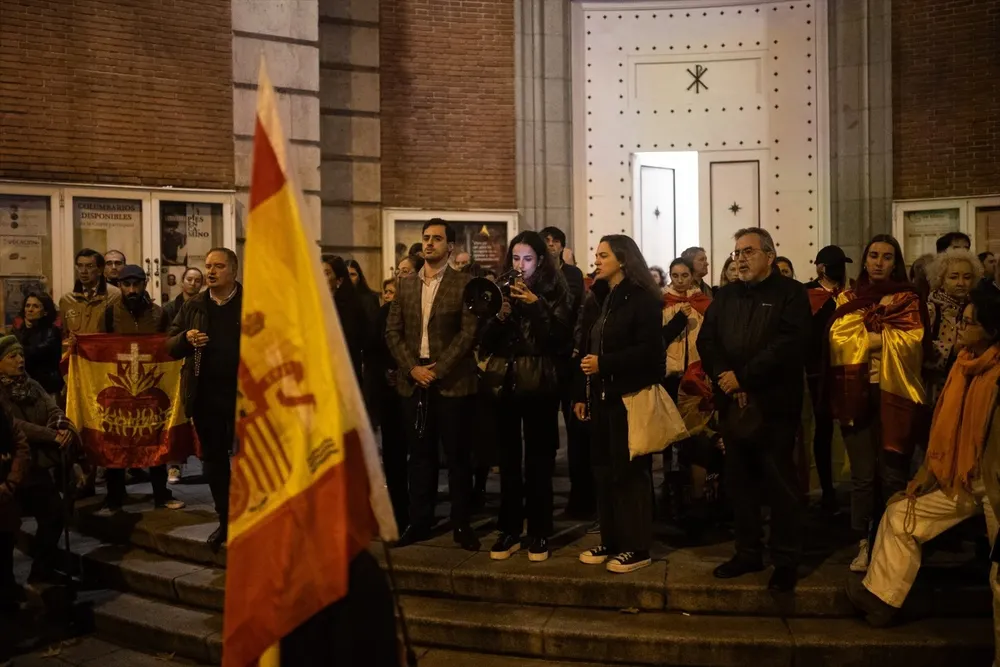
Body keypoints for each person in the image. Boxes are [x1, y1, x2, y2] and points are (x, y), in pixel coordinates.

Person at [846, 287, 1000, 632]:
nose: (960, 328)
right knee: (900, 515)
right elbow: (945, 433)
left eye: (970, 323)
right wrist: (924, 477)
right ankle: (882, 599)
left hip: (993, 485)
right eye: (961, 320)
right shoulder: (962, 366)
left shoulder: (995, 373)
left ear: (990, 329)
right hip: (958, 476)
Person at [697, 227, 811, 591]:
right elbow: (707, 341)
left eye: (748, 252)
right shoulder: (726, 296)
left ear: (769, 257)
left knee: (780, 485)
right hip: (735, 405)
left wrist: (744, 378)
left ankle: (786, 559)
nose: (740, 259)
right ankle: (747, 552)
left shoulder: (791, 294)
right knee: (740, 482)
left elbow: (788, 344)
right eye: (736, 253)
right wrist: (724, 377)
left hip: (774, 404)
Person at [828, 234, 928, 574]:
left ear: (896, 261)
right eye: (873, 255)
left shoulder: (908, 298)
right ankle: (864, 542)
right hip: (855, 394)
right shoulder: (848, 297)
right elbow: (840, 340)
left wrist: (869, 338)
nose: (879, 262)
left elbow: (912, 342)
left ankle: (893, 541)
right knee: (862, 475)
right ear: (865, 260)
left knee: (892, 472)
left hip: (894, 394)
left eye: (887, 256)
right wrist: (881, 338)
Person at [386, 219, 480, 551]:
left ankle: (461, 523)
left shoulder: (463, 284)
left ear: (449, 247)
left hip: (451, 382)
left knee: (457, 458)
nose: (429, 244)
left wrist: (437, 370)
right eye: (425, 238)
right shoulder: (407, 285)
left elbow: (468, 334)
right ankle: (419, 522)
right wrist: (412, 368)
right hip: (414, 382)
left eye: (436, 239)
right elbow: (392, 332)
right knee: (420, 457)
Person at [573, 235, 664, 574]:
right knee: (605, 473)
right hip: (602, 399)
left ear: (623, 260)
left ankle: (638, 547)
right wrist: (581, 394)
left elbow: (650, 354)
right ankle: (612, 539)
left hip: (629, 398)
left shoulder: (641, 300)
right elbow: (588, 343)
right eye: (596, 254)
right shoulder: (605, 297)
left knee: (630, 475)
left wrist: (605, 364)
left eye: (603, 255)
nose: (596, 260)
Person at [480, 231, 573, 563]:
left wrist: (537, 308)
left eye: (528, 259)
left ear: (541, 261)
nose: (521, 266)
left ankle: (540, 531)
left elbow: (560, 340)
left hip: (539, 384)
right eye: (516, 259)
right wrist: (500, 315)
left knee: (539, 461)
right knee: (507, 462)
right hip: (505, 382)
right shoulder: (502, 288)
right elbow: (486, 340)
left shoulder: (554, 290)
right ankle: (509, 530)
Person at [166, 248, 242, 551]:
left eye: (218, 267)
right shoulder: (194, 305)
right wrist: (186, 339)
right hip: (206, 396)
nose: (210, 272)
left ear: (233, 271)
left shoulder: (252, 303)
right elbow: (169, 344)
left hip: (244, 398)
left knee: (248, 461)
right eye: (208, 266)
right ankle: (225, 520)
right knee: (213, 463)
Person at [96, 265, 183, 514]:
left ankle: (161, 493)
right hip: (118, 387)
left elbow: (167, 348)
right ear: (120, 286)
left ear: (145, 283)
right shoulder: (110, 314)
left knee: (153, 440)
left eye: (136, 284)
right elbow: (101, 349)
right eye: (126, 285)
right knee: (116, 439)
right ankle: (114, 497)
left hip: (150, 386)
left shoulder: (158, 314)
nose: (132, 290)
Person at [0, 336, 73, 590]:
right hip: (10, 469)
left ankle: (41, 570)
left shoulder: (32, 385)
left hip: (38, 468)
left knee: (54, 514)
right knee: (6, 531)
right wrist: (50, 435)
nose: (20, 360)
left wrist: (61, 427)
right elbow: (15, 425)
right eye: (12, 356)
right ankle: (7, 586)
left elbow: (54, 410)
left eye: (21, 355)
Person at [540, 225, 590, 516]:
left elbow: (577, 311)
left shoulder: (573, 276)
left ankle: (580, 497)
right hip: (547, 360)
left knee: (577, 432)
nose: (550, 246)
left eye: (555, 241)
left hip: (569, 359)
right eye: (545, 241)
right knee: (545, 432)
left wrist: (575, 345)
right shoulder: (536, 275)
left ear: (562, 246)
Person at [803, 246, 853, 516]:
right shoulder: (807, 293)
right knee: (822, 429)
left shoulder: (848, 294)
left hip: (845, 367)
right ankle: (827, 490)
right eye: (834, 265)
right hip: (817, 371)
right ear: (820, 268)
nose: (840, 270)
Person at [923, 249, 982, 407]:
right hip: (936, 391)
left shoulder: (977, 309)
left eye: (967, 277)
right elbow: (918, 347)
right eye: (953, 277)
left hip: (968, 388)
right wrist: (952, 350)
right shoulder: (930, 309)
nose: (961, 283)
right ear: (941, 279)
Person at [0, 408, 30, 623]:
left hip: (3, 498)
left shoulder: (2, 412)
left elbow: (19, 444)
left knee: (4, 549)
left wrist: (10, 481)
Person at [321, 256, 369, 384]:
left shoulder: (351, 307)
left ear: (339, 280)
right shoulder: (312, 305)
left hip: (344, 374)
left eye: (326, 273)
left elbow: (355, 341)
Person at [59, 248, 122, 343]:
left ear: (100, 270)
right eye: (80, 266)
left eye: (89, 266)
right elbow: (64, 334)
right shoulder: (67, 299)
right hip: (77, 354)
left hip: (102, 352)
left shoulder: (114, 295)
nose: (83, 271)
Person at [13, 292, 62, 396]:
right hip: (24, 387)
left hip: (47, 389)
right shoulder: (19, 330)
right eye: (27, 305)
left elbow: (34, 353)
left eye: (35, 306)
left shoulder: (52, 331)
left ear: (45, 312)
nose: (30, 309)